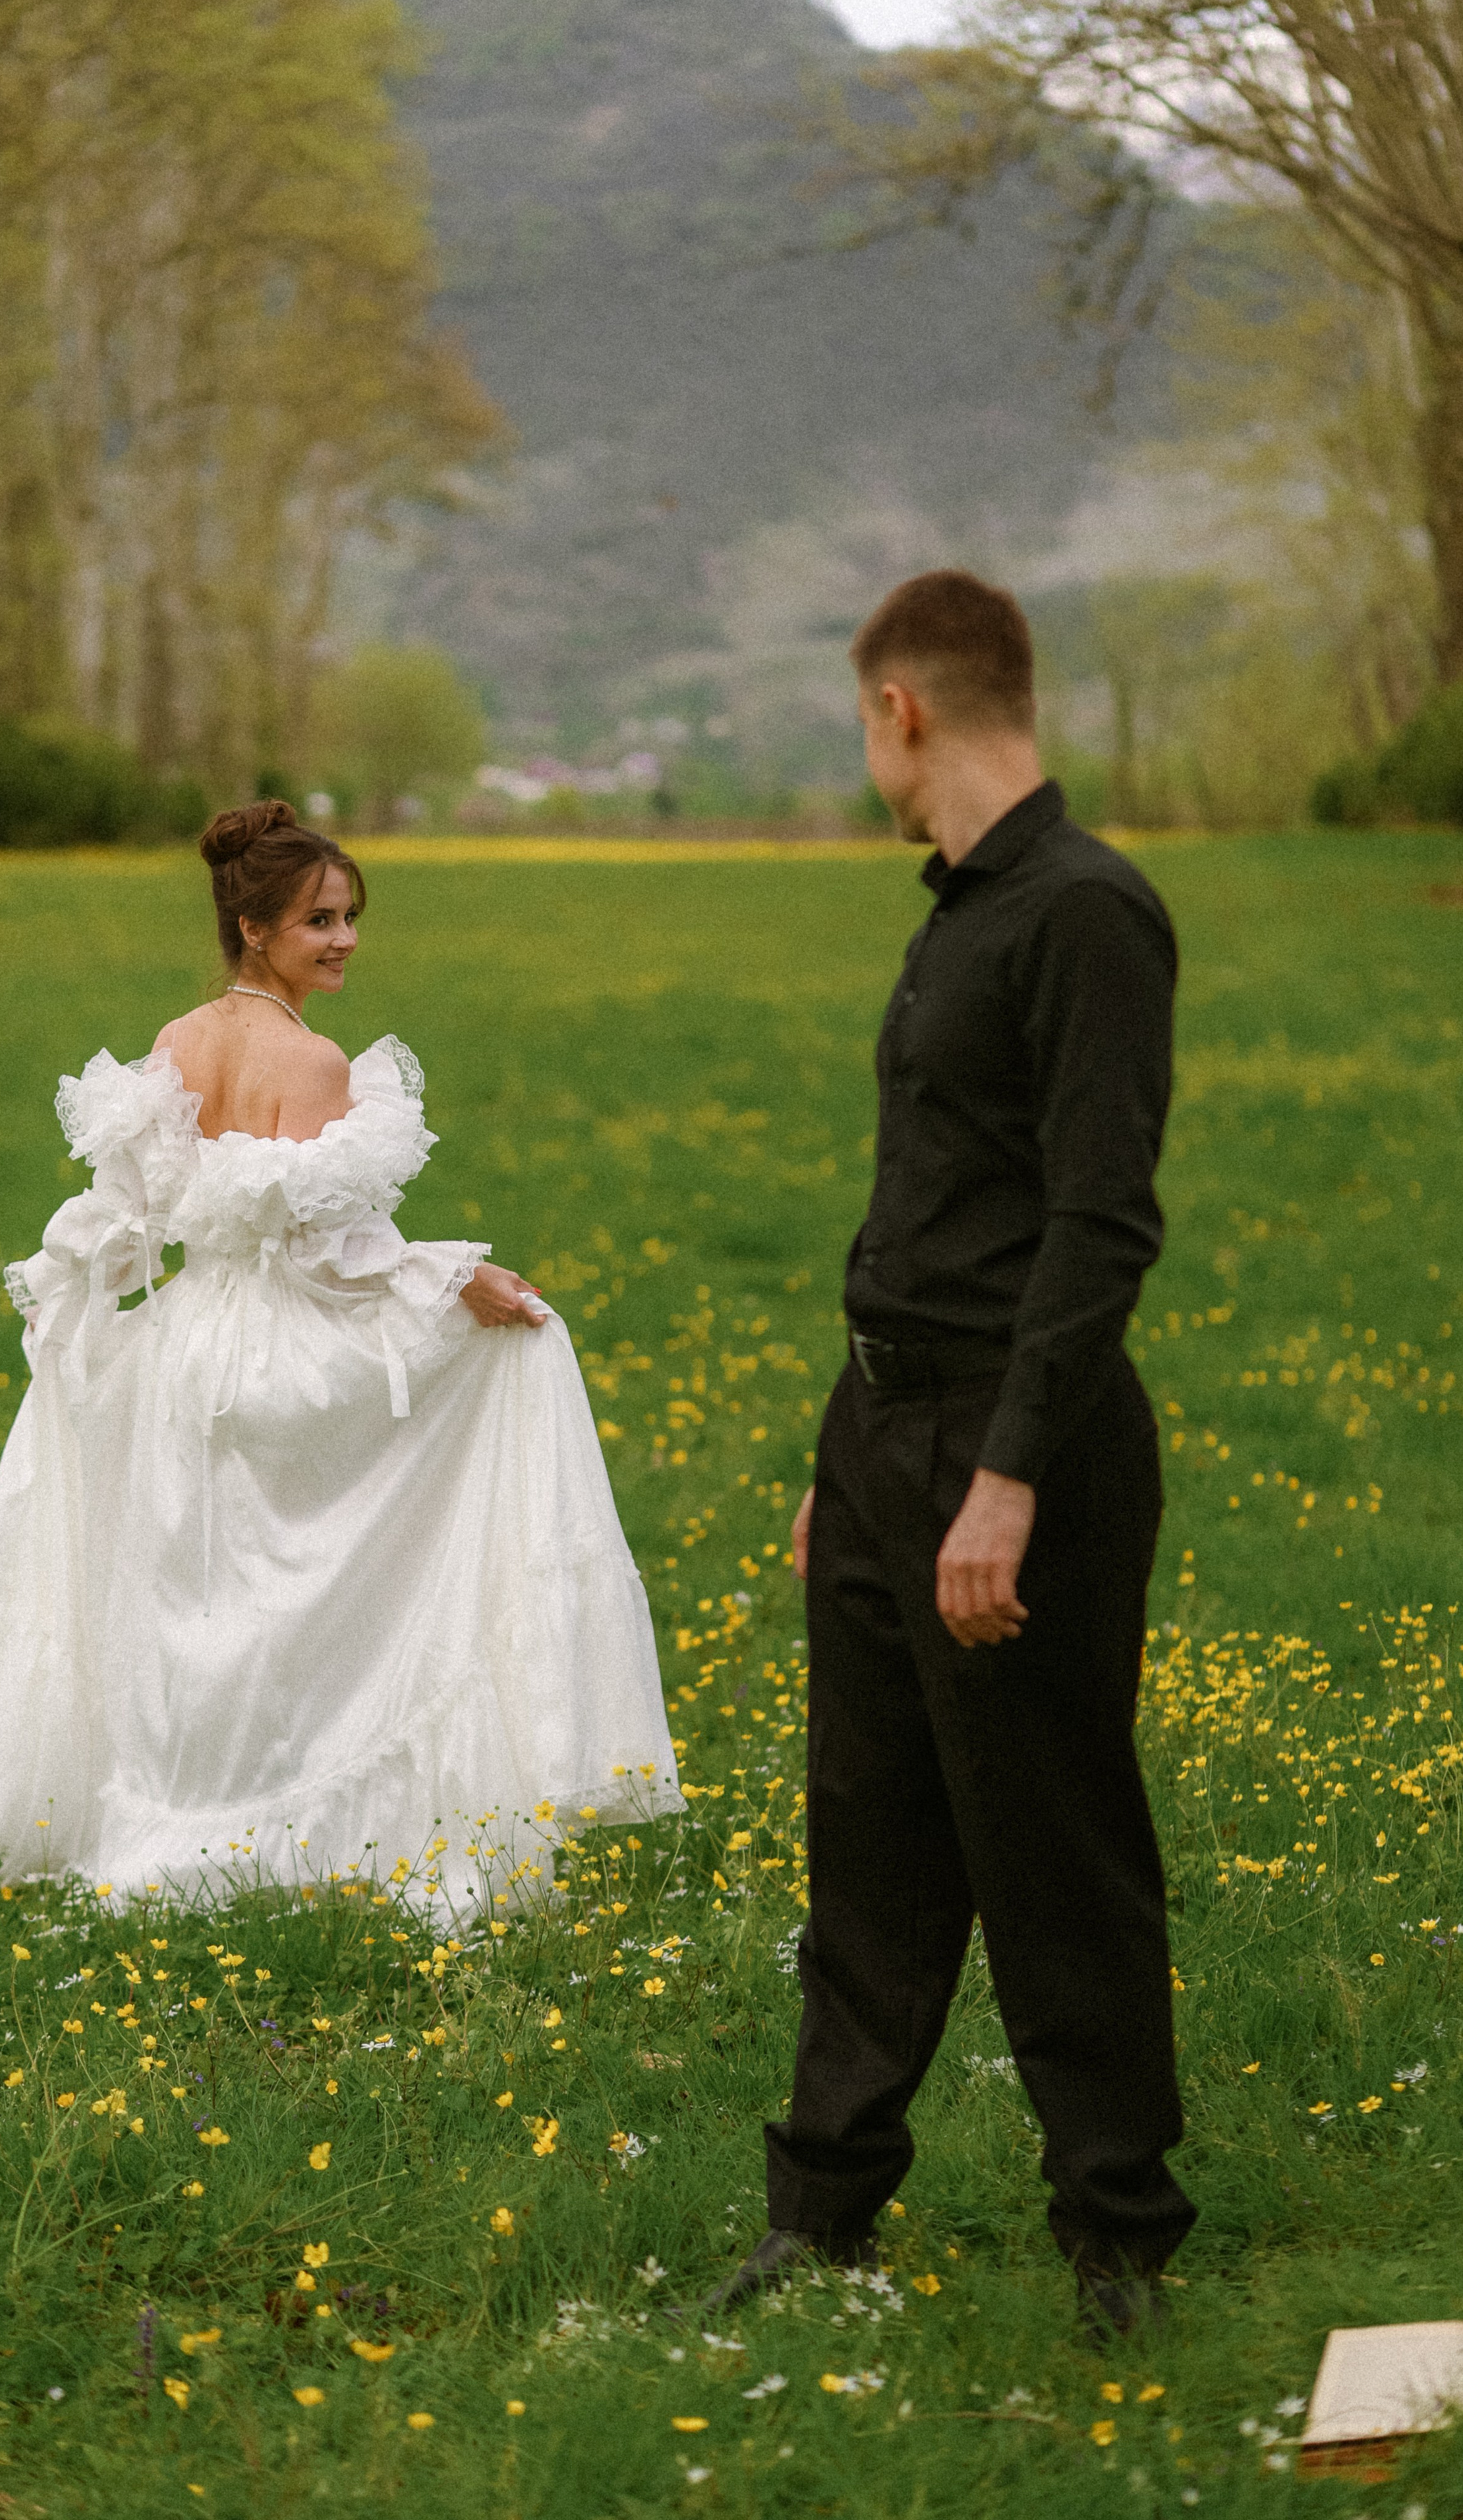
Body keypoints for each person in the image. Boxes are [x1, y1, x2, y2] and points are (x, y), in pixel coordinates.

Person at [708, 571, 1193, 2337]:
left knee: (1052, 1848)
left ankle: (1118, 2240)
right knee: (870, 1841)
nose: (870, 758)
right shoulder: (960, 913)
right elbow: (932, 1198)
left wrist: (1006, 1476)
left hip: (1015, 1445)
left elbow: (1098, 1220)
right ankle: (820, 2216)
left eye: (865, 727)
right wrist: (845, 1451)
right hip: (884, 1432)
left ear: (899, 709)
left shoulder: (1086, 914)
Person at [0, 800, 679, 1910]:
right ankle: (300, 1824)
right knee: (298, 1587)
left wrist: (69, 1295)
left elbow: (128, 1211)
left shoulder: (178, 1044)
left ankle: (186, 1824)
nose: (345, 940)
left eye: (350, 918)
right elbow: (332, 1252)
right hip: (281, 1349)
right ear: (255, 928)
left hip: (186, 1350)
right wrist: (455, 1280)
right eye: (320, 920)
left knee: (204, 1593)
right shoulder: (317, 1063)